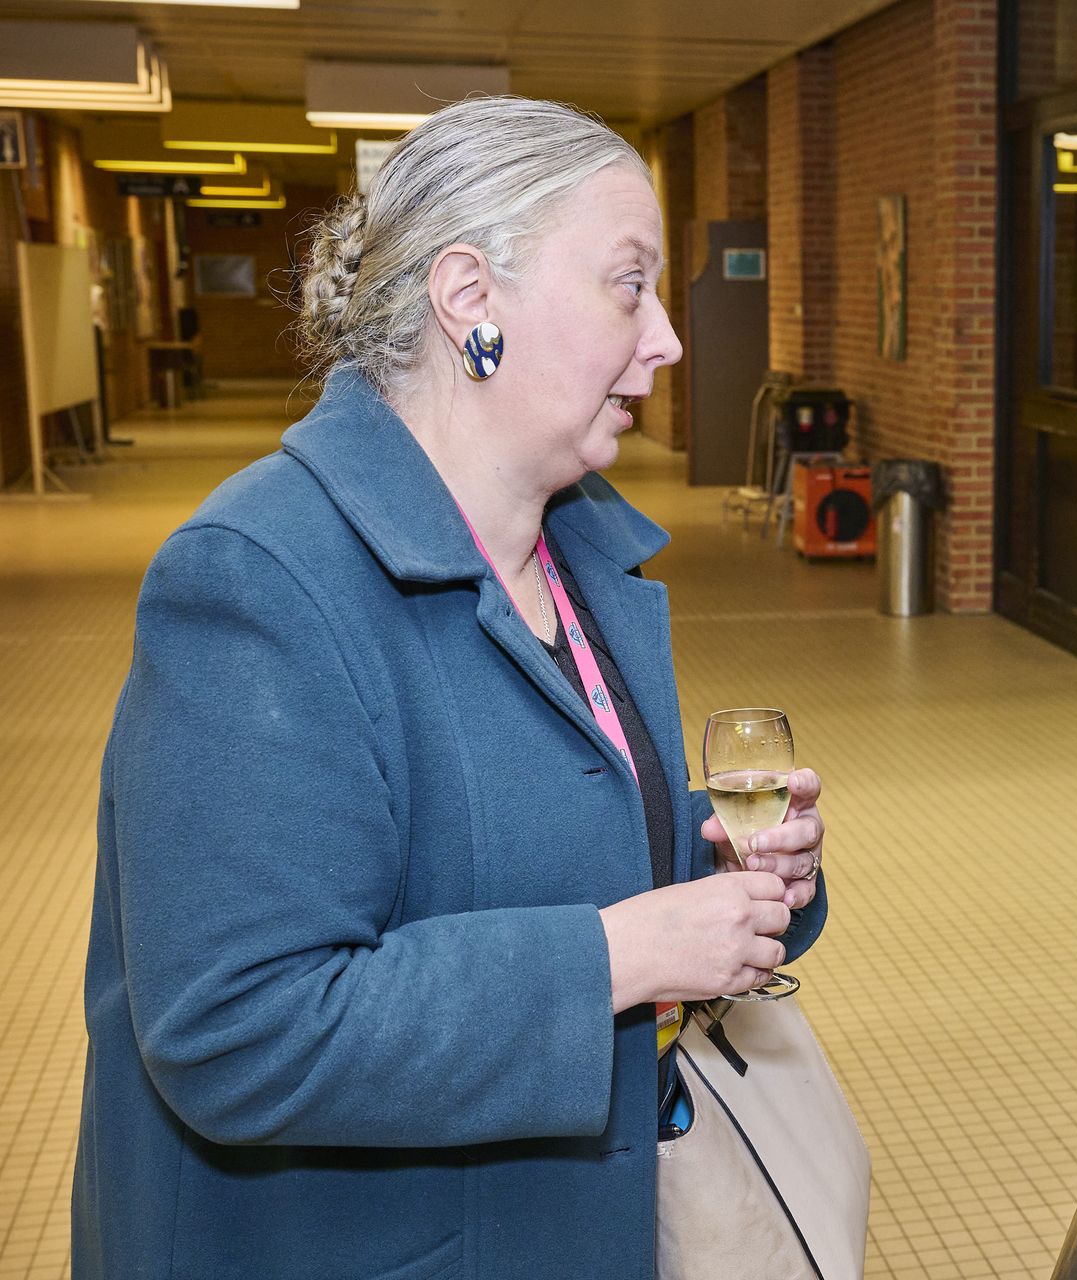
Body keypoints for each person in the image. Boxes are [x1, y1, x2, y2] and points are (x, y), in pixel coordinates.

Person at [73, 96, 830, 1279]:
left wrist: (725, 866)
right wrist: (621, 955)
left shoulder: (570, 550)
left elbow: (515, 836)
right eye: (629, 286)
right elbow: (235, 1026)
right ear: (471, 297)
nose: (669, 339)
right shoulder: (257, 579)